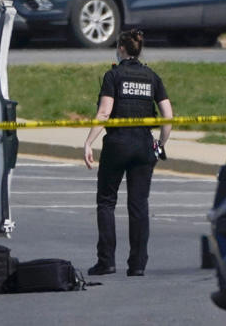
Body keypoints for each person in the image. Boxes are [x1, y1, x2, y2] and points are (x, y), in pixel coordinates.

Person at [83, 29, 173, 277]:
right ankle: (138, 264)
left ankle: (106, 261)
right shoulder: (152, 77)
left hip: (118, 144)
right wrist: (160, 145)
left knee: (106, 202)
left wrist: (89, 142)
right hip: (144, 145)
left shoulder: (113, 75)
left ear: (121, 49)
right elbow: (168, 116)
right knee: (138, 205)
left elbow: (103, 113)